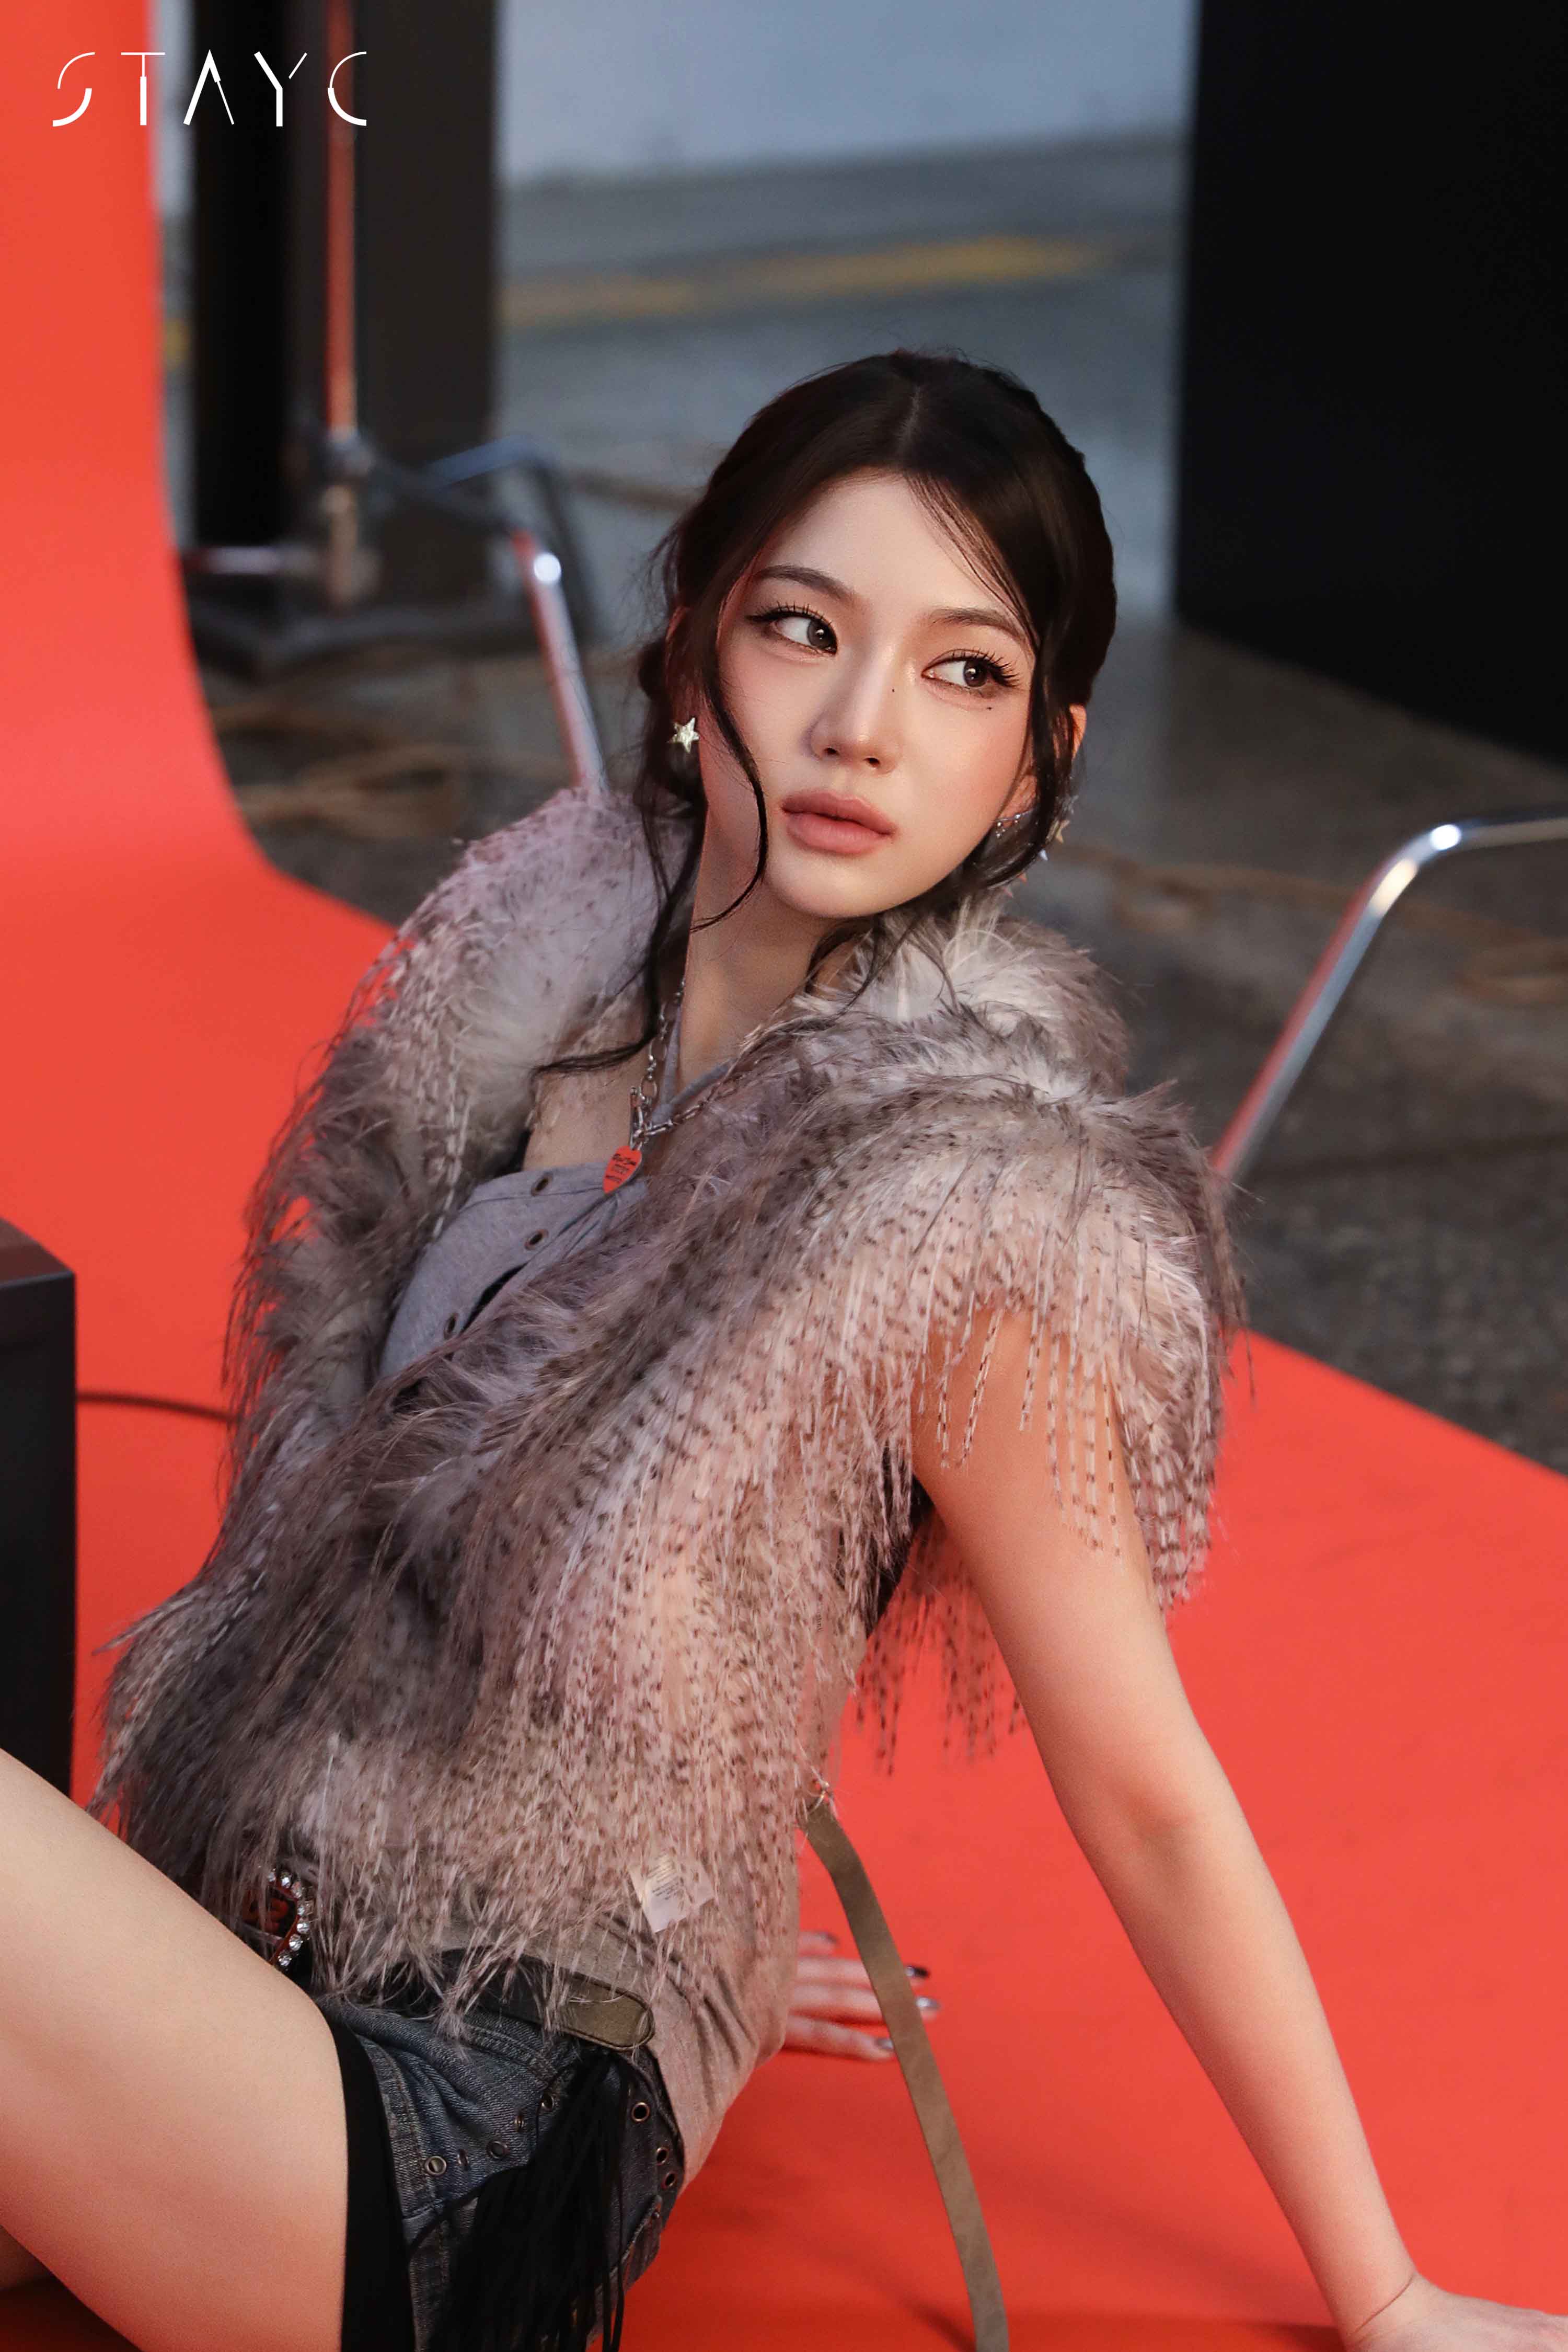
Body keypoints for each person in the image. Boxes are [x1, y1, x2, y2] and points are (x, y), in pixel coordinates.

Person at [1, 349, 1560, 2352]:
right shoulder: (538, 976)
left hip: (438, 2157)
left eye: (964, 672)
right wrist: (718, 1927)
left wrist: (1392, 2293)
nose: (860, 726)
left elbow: (1150, 1790)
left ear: (1044, 759)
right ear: (692, 645)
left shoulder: (967, 1212)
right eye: (805, 627)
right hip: (242, 1969)